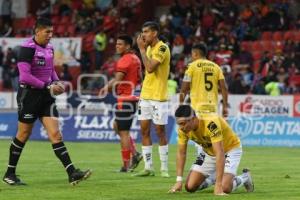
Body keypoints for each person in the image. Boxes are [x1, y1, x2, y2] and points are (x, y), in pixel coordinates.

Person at [2, 18, 91, 186]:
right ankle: (9, 173)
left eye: (52, 31)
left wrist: (57, 82)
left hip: (46, 96)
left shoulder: (49, 48)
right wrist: (48, 86)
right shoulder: (27, 48)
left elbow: (50, 71)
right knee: (23, 135)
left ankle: (72, 173)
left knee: (56, 134)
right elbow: (25, 76)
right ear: (37, 31)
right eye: (47, 32)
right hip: (29, 96)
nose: (51, 35)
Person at [169, 105, 254, 195]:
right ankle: (215, 177)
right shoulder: (182, 130)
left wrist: (218, 185)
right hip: (208, 152)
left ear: (193, 119)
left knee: (224, 187)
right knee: (190, 187)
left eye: (183, 123)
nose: (181, 127)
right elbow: (181, 153)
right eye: (179, 124)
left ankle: (245, 177)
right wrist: (178, 180)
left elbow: (219, 152)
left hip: (230, 149)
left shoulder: (210, 123)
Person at [99, 34, 143, 172]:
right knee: (116, 126)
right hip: (134, 98)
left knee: (123, 132)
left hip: (125, 99)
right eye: (117, 44)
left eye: (120, 44)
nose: (117, 46)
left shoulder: (124, 60)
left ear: (128, 46)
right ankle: (135, 153)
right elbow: (141, 78)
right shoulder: (136, 58)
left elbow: (118, 79)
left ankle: (126, 165)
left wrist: (106, 87)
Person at [179, 43, 229, 158]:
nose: (191, 57)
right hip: (212, 109)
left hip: (197, 109)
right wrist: (225, 106)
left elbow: (184, 88)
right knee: (214, 139)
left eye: (192, 54)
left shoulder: (192, 66)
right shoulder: (216, 67)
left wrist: (181, 104)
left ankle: (204, 171)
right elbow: (224, 88)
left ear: (195, 54)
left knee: (200, 138)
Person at [134, 21, 170, 177]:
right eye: (142, 31)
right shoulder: (148, 48)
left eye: (146, 31)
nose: (143, 35)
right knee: (144, 130)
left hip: (158, 97)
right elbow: (147, 72)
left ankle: (164, 168)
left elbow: (150, 67)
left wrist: (141, 50)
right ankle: (149, 167)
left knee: (160, 131)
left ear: (155, 33)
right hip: (146, 96)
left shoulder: (162, 48)